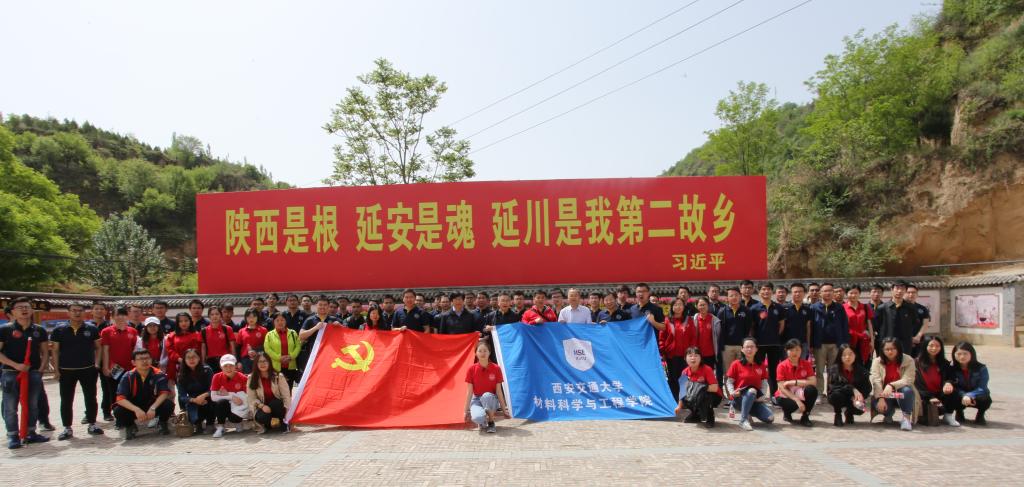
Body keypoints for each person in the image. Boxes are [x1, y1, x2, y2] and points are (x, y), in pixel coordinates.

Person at [0, 297, 51, 448]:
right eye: (20, 307)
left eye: (27, 307)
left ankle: (30, 432)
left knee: (33, 404)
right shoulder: (5, 330)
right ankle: (13, 435)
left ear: (31, 310)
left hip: (33, 372)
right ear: (13, 312)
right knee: (10, 406)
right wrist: (15, 365)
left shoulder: (39, 330)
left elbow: (44, 352)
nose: (24, 310)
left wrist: (41, 369)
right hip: (10, 372)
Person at [51, 303, 104, 441]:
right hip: (66, 370)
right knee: (66, 399)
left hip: (88, 369)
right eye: (74, 310)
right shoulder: (59, 330)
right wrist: (56, 370)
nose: (77, 313)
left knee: (91, 397)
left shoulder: (91, 329)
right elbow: (55, 351)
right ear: (68, 312)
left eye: (80, 310)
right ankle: (67, 427)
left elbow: (99, 347)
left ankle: (92, 424)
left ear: (84, 312)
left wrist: (97, 363)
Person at [114, 349, 173, 439]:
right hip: (134, 406)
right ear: (133, 362)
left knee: (168, 405)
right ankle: (130, 426)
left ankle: (162, 422)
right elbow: (120, 399)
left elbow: (164, 393)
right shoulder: (128, 376)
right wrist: (136, 409)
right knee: (118, 410)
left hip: (152, 404)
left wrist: (153, 408)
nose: (144, 361)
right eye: (141, 359)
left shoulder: (159, 374)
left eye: (147, 358)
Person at [101, 307, 139, 426]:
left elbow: (135, 350)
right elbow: (105, 350)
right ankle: (119, 419)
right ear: (112, 317)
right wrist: (105, 367)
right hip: (114, 368)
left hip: (130, 368)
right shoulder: (106, 331)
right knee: (115, 393)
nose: (121, 317)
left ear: (127, 316)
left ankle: (130, 417)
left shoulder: (133, 331)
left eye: (123, 314)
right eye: (118, 315)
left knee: (130, 393)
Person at [870, 338, 919, 431]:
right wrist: (880, 398)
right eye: (887, 349)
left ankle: (906, 418)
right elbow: (876, 381)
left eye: (893, 349)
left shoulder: (908, 360)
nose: (890, 351)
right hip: (885, 393)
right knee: (880, 406)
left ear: (898, 349)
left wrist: (891, 385)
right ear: (882, 350)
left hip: (901, 392)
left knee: (907, 390)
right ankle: (888, 414)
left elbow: (908, 379)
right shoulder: (877, 361)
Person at [725, 337, 774, 431]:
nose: (749, 349)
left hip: (755, 400)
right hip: (739, 398)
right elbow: (729, 382)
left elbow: (764, 382)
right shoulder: (736, 364)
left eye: (752, 347)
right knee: (752, 390)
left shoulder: (761, 365)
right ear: (742, 349)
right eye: (747, 347)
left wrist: (762, 396)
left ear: (756, 349)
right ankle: (743, 420)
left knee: (770, 418)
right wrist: (732, 392)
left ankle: (747, 412)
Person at [810, 283, 850, 393]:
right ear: (820, 293)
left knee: (833, 371)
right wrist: (811, 344)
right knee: (819, 370)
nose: (827, 293)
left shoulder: (839, 308)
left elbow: (844, 326)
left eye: (830, 291)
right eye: (825, 291)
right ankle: (819, 392)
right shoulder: (814, 308)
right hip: (819, 344)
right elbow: (810, 327)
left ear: (833, 293)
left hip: (836, 344)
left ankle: (831, 392)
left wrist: (845, 344)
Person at [463, 342, 510, 433]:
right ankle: (482, 421)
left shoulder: (496, 368)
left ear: (489, 352)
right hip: (476, 400)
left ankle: (491, 422)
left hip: (491, 400)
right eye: (480, 351)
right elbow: (469, 392)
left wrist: (504, 410)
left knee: (487, 396)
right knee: (477, 418)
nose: (482, 353)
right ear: (476, 353)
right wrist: (465, 411)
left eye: (485, 351)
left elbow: (499, 391)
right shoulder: (471, 369)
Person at [748, 283, 785, 395]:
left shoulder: (779, 307)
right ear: (759, 292)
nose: (766, 291)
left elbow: (781, 324)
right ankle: (758, 394)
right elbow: (751, 327)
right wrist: (754, 341)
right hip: (759, 345)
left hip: (774, 344)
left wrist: (775, 335)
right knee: (758, 370)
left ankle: (774, 395)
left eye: (768, 289)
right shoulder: (754, 308)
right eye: (763, 289)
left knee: (774, 371)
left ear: (772, 292)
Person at [915, 336, 960, 427]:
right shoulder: (916, 363)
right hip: (924, 396)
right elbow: (917, 384)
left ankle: (948, 415)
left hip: (940, 395)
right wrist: (929, 397)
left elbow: (951, 377)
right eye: (931, 346)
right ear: (925, 346)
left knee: (954, 391)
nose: (934, 348)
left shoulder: (945, 363)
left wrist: (948, 383)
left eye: (937, 346)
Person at [775, 339, 817, 426]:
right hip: (786, 394)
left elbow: (813, 382)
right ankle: (787, 413)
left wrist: (794, 382)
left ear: (801, 350)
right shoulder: (781, 366)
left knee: (812, 390)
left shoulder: (806, 364)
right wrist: (797, 400)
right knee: (790, 403)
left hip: (800, 391)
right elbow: (782, 387)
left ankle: (805, 416)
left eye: (797, 350)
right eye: (791, 350)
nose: (795, 352)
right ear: (786, 350)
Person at [675, 347, 720, 428]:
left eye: (696, 355)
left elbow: (715, 388)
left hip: (713, 396)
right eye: (690, 356)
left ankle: (710, 416)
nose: (693, 358)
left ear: (700, 358)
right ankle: (696, 415)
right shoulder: (684, 372)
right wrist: (679, 406)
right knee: (686, 396)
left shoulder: (707, 369)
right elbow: (682, 391)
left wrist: (699, 387)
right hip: (696, 396)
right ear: (685, 358)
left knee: (703, 395)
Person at [828, 344, 872, 427]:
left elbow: (868, 388)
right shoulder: (834, 369)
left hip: (854, 399)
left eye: (850, 354)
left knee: (860, 409)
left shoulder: (861, 370)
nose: (847, 357)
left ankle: (849, 413)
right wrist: (853, 390)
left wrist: (860, 397)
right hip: (839, 396)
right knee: (836, 395)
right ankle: (838, 414)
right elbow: (834, 387)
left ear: (855, 355)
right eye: (844, 355)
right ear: (840, 357)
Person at [948, 341, 991, 426]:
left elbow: (982, 387)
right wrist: (963, 395)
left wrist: (970, 395)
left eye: (965, 353)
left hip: (977, 395)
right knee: (951, 395)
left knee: (985, 399)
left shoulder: (981, 368)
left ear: (972, 354)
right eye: (959, 354)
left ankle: (980, 415)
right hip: (960, 395)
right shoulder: (951, 368)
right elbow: (953, 386)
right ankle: (959, 412)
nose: (962, 356)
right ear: (954, 355)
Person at [247, 353, 291, 434]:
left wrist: (287, 412)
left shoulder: (278, 376)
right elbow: (251, 398)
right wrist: (262, 406)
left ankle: (282, 422)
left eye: (265, 361)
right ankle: (267, 425)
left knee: (276, 403)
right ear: (256, 364)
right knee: (262, 417)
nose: (262, 364)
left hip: (277, 406)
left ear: (269, 362)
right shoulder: (251, 378)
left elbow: (286, 396)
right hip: (262, 407)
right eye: (260, 362)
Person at [660, 298, 694, 402]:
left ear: (684, 307)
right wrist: (662, 351)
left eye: (680, 305)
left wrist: (692, 352)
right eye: (675, 305)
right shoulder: (667, 321)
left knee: (684, 378)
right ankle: (674, 399)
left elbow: (693, 337)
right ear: (672, 307)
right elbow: (662, 337)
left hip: (685, 355)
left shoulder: (689, 320)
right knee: (673, 378)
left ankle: (683, 399)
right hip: (671, 355)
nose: (678, 307)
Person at [717, 288, 752, 385]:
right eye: (731, 295)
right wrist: (721, 346)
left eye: (736, 295)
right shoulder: (722, 311)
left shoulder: (746, 311)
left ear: (740, 296)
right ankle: (730, 393)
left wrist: (745, 344)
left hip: (742, 346)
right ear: (727, 298)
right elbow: (720, 330)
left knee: (742, 371)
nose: (734, 297)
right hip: (727, 347)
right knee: (728, 372)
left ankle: (741, 390)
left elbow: (748, 328)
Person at [176, 349, 214, 434]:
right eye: (188, 357)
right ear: (184, 360)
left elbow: (213, 388)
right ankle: (197, 424)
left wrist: (204, 395)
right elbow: (182, 396)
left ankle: (210, 424)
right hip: (192, 400)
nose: (191, 360)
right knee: (190, 408)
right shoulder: (181, 375)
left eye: (194, 357)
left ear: (199, 358)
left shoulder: (207, 370)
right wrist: (194, 400)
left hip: (207, 397)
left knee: (214, 400)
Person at [872, 281, 917, 355]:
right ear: (891, 290)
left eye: (902, 289)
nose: (899, 291)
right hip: (886, 345)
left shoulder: (910, 308)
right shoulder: (882, 308)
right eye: (897, 288)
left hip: (904, 345)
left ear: (905, 291)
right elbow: (876, 326)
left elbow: (914, 324)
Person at [209, 354, 248, 438]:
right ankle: (220, 427)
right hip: (226, 404)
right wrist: (231, 396)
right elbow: (213, 397)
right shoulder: (216, 377)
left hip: (239, 406)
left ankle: (238, 422)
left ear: (235, 366)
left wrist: (226, 394)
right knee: (220, 402)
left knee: (234, 417)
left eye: (231, 365)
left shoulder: (242, 377)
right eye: (225, 366)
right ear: (221, 367)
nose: (228, 368)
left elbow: (246, 396)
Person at [298, 296, 342, 370]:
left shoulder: (335, 320)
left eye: (325, 305)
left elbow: (346, 336)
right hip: (314, 354)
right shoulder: (310, 320)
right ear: (316, 306)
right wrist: (315, 328)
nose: (322, 307)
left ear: (328, 306)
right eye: (320, 305)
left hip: (331, 355)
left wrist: (340, 326)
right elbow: (301, 336)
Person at [164, 313, 202, 388]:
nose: (183, 323)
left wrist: (190, 360)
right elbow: (170, 350)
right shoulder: (172, 335)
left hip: (193, 364)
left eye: (186, 320)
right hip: (176, 365)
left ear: (190, 321)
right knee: (179, 388)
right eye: (180, 321)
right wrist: (179, 359)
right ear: (177, 323)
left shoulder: (197, 334)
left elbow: (199, 350)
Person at [267, 313, 302, 387]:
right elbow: (267, 349)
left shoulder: (293, 333)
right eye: (277, 320)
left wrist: (291, 356)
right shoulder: (269, 334)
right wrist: (279, 358)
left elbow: (298, 346)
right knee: (276, 389)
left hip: (290, 367)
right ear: (273, 322)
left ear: (286, 321)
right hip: (275, 367)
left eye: (282, 320)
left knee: (288, 388)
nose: (280, 322)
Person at [843, 285, 875, 367]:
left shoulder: (865, 307)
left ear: (859, 294)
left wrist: (872, 340)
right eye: (851, 293)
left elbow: (869, 324)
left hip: (863, 339)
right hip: (848, 339)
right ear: (846, 294)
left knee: (863, 361)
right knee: (849, 361)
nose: (853, 295)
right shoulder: (842, 308)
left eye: (856, 293)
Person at [201, 306, 237, 372]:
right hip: (210, 360)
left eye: (217, 314)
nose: (214, 316)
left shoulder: (227, 329)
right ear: (209, 316)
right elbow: (203, 348)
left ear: (221, 315)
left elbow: (232, 346)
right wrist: (203, 362)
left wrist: (234, 360)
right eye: (212, 314)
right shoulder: (204, 331)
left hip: (225, 359)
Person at [689, 297, 719, 369]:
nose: (702, 307)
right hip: (696, 353)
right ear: (696, 306)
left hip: (710, 353)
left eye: (704, 305)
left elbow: (718, 337)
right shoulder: (693, 320)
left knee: (709, 372)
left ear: (708, 306)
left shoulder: (714, 320)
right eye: (700, 305)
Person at [235, 309, 267, 374]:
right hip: (245, 360)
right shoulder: (241, 331)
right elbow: (238, 348)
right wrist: (238, 362)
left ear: (257, 317)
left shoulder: (263, 330)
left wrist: (257, 351)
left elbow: (266, 346)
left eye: (254, 316)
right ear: (245, 318)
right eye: (249, 317)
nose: (251, 319)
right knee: (247, 378)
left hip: (260, 359)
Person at [905, 285, 930, 357]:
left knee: (919, 359)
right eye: (908, 292)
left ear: (917, 294)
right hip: (904, 340)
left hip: (918, 340)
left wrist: (918, 336)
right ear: (904, 293)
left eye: (913, 292)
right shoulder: (900, 308)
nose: (911, 294)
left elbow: (925, 324)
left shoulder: (922, 308)